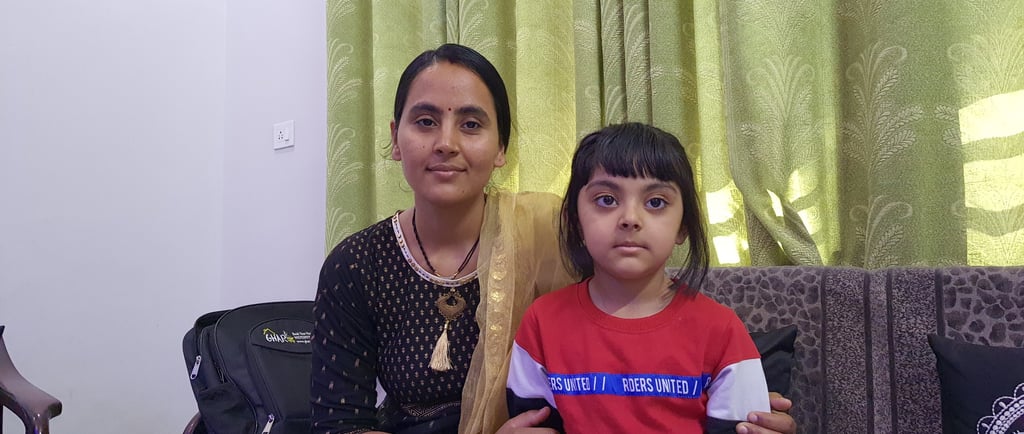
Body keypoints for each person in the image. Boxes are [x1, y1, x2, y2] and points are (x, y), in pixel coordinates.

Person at [310, 43, 797, 434]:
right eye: (425, 121)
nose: (447, 142)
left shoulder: (551, 228)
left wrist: (745, 396)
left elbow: (636, 312)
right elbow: (339, 422)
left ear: (501, 147)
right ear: (396, 138)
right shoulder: (356, 264)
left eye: (472, 124)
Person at [506, 122, 770, 433]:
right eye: (606, 199)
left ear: (683, 226)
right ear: (575, 220)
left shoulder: (722, 330)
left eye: (656, 202)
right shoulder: (542, 322)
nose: (630, 219)